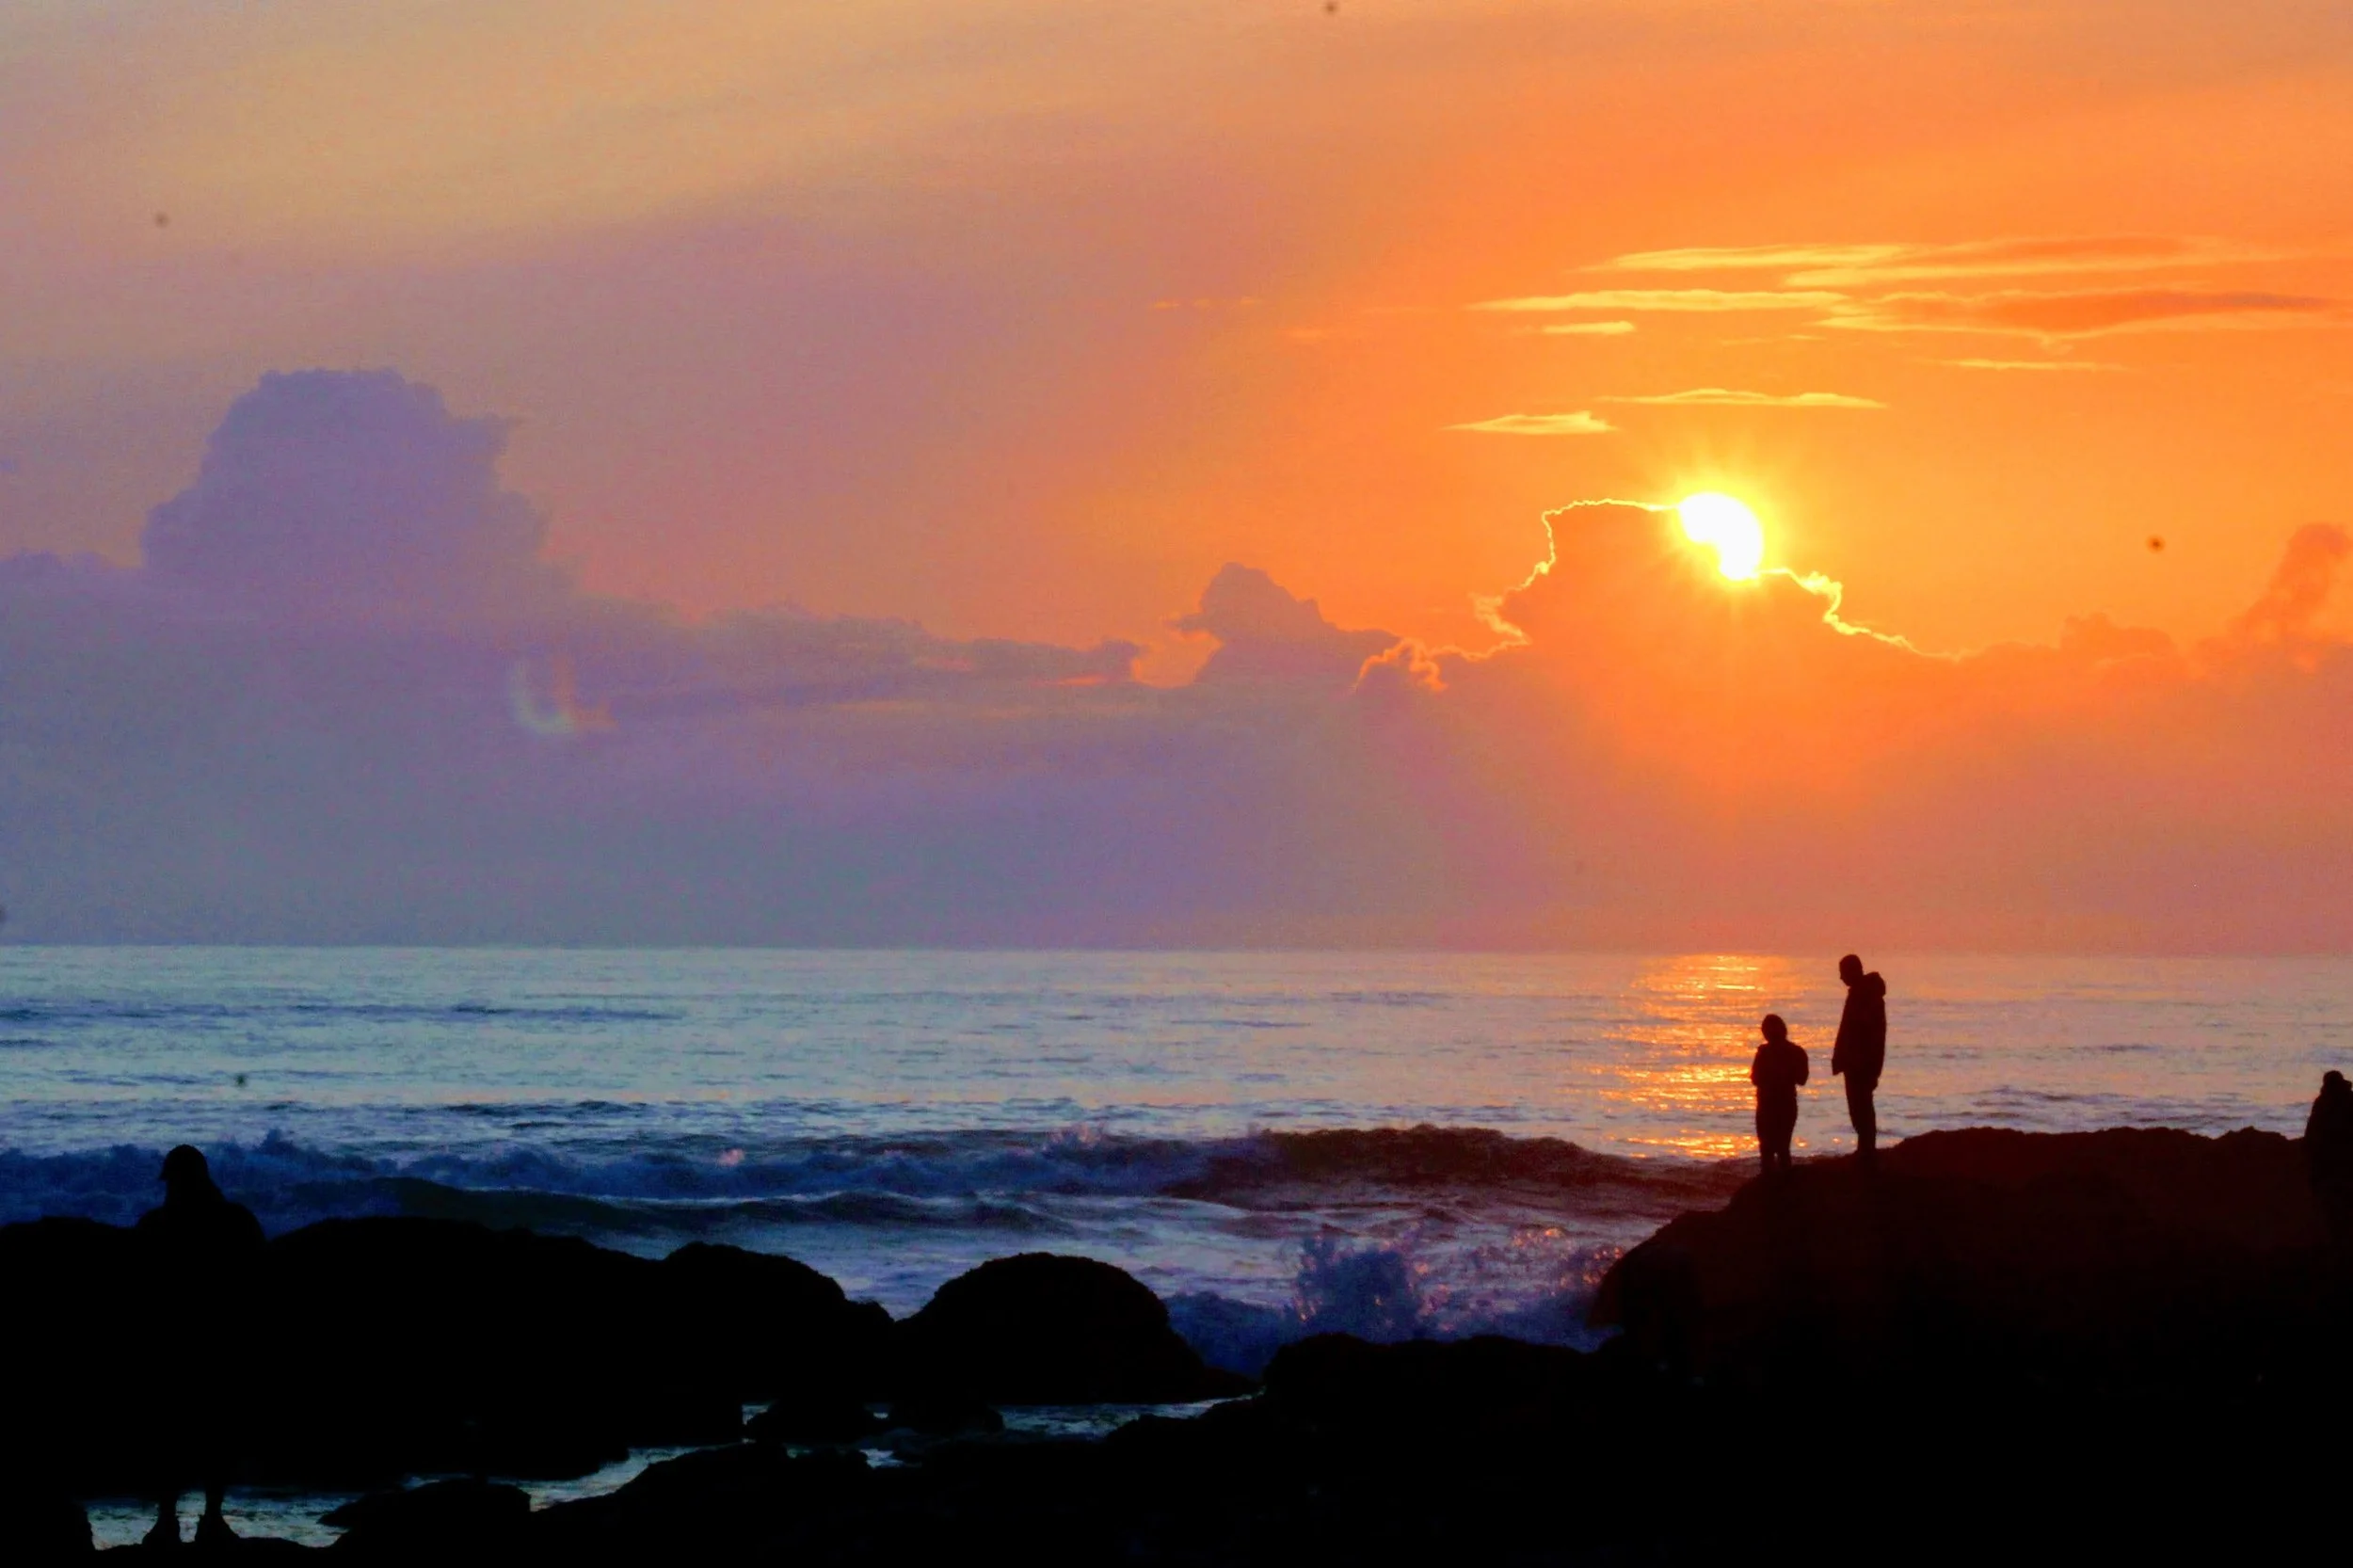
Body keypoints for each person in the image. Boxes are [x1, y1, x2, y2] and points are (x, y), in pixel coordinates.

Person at [134, 1145, 265, 1550]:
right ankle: (209, 1518)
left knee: (170, 1434)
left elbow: (136, 1292)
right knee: (218, 1432)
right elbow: (258, 1284)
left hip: (175, 1348)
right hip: (220, 1346)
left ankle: (169, 1521)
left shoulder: (156, 1226)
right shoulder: (236, 1222)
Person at [1832, 954, 1887, 1162]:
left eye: (1843, 972)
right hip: (1856, 1061)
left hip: (1861, 1063)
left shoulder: (1866, 996)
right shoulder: (1860, 994)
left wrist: (1870, 1065)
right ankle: (1865, 1148)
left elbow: (1869, 1034)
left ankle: (1867, 1150)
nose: (1841, 977)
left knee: (1861, 1108)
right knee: (1859, 1108)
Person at [1750, 1015, 1809, 1176]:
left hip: (1780, 1105)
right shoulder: (1766, 1052)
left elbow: (1801, 1078)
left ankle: (1778, 1185)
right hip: (1770, 1104)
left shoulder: (1794, 1052)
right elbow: (1755, 1078)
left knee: (1778, 1149)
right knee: (1771, 1149)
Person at [2307, 1070, 2353, 1249]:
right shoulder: (2348, 1100)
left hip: (2331, 1166)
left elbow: (2312, 1133)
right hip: (2343, 1164)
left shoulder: (2323, 1103)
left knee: (2334, 1212)